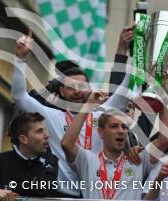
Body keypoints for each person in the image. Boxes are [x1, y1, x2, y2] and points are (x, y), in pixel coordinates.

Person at [12, 30, 131, 197]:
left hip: (99, 194)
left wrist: (139, 57)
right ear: (62, 91)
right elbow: (19, 96)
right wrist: (20, 59)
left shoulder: (104, 114)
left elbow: (126, 89)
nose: (76, 91)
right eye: (70, 87)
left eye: (81, 87)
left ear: (89, 89)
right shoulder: (51, 116)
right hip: (63, 195)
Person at [60, 92, 168, 200]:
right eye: (114, 126)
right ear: (101, 132)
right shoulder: (87, 160)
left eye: (124, 127)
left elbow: (165, 140)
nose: (121, 131)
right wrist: (88, 105)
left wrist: (161, 105)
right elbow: (66, 144)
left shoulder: (137, 159)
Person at [0, 112, 58, 201]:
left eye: (45, 130)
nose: (47, 135)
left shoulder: (51, 162)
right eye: (39, 131)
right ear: (24, 139)